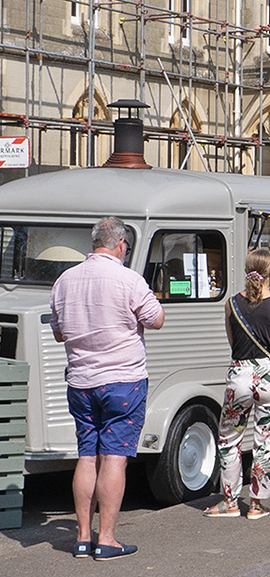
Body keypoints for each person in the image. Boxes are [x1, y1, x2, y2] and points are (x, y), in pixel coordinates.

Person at [49, 216, 165, 559]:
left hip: (81, 382)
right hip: (123, 382)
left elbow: (59, 333)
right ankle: (108, 538)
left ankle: (83, 537)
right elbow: (156, 320)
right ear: (121, 245)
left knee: (87, 456)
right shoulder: (129, 279)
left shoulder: (64, 281)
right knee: (114, 458)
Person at [203, 248, 270, 520]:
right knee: (266, 440)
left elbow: (233, 344)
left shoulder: (231, 304)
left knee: (229, 439)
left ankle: (229, 501)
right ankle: (256, 504)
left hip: (239, 374)